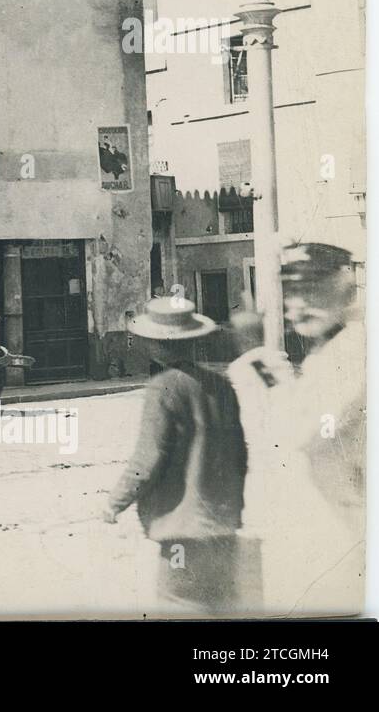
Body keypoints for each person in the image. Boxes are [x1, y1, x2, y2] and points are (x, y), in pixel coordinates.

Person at [227, 241, 364, 614]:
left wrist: (259, 362)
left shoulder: (354, 352)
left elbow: (302, 433)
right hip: (326, 527)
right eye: (293, 292)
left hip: (341, 534)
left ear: (346, 290)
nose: (299, 304)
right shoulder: (329, 349)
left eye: (313, 290)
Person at [102, 297, 248, 615]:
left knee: (179, 605)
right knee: (221, 606)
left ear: (156, 345)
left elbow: (147, 459)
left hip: (183, 533)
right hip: (223, 528)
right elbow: (240, 456)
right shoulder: (223, 386)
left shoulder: (163, 387)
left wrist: (115, 502)